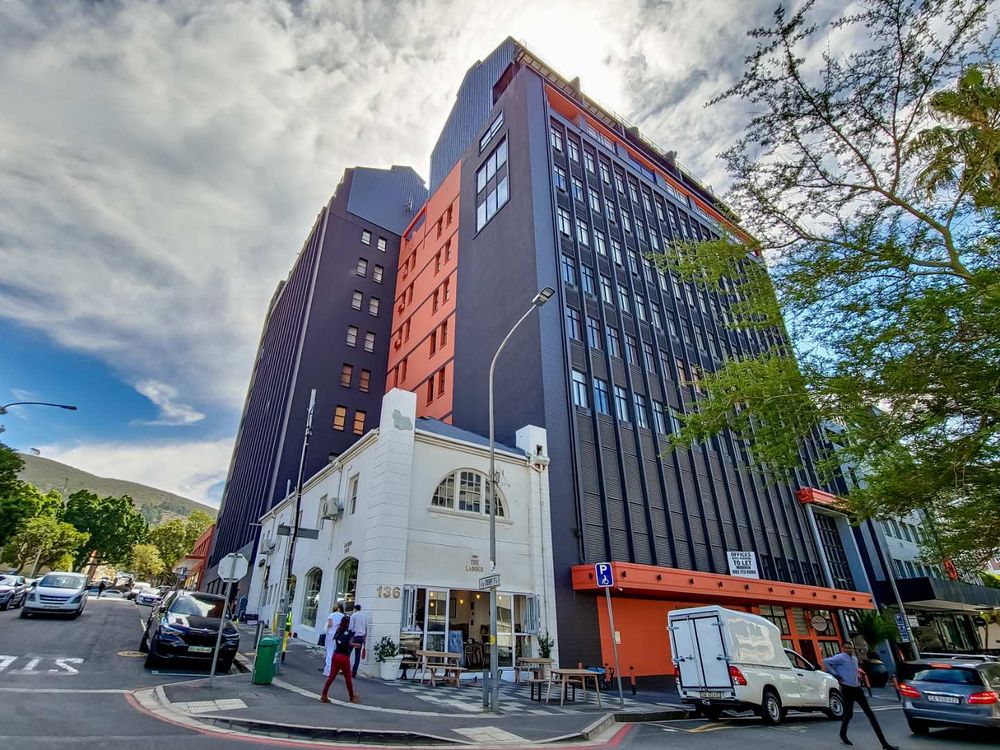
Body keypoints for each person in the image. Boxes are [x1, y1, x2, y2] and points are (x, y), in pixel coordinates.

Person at [824, 642, 898, 750]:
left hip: (857, 688)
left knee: (870, 714)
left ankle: (884, 743)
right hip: (847, 688)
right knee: (848, 714)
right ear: (842, 648)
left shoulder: (854, 659)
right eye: (847, 648)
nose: (849, 650)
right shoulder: (840, 657)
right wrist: (835, 674)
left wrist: (858, 677)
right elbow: (826, 661)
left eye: (850, 648)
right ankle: (843, 733)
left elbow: (855, 670)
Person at [320, 616, 359, 704]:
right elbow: (348, 643)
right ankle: (352, 697)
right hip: (344, 657)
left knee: (331, 676)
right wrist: (354, 644)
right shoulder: (349, 633)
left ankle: (324, 694)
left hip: (336, 655)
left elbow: (340, 642)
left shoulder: (339, 631)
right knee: (348, 678)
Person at [323, 604, 346, 675]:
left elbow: (330, 625)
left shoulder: (331, 615)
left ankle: (328, 670)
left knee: (329, 651)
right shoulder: (343, 616)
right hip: (339, 635)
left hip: (330, 634)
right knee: (336, 652)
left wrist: (326, 627)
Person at [348, 604, 369, 678]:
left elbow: (350, 627)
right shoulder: (364, 616)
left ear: (355, 609)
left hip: (353, 636)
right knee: (357, 655)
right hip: (360, 637)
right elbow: (366, 627)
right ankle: (354, 672)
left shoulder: (353, 616)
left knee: (348, 653)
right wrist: (364, 637)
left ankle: (346, 669)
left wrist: (349, 636)